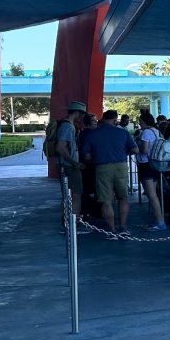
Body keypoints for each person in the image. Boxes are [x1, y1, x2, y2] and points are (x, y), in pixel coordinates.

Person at [82, 110, 139, 240]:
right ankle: (123, 228)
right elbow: (135, 149)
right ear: (115, 120)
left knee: (106, 201)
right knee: (123, 197)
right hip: (121, 166)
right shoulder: (122, 132)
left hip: (102, 167)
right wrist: (123, 153)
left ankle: (111, 231)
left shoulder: (92, 134)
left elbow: (86, 156)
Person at [54, 101, 88, 233]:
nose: (82, 117)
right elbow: (61, 147)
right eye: (81, 113)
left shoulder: (64, 124)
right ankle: (72, 225)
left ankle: (68, 223)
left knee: (68, 195)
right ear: (76, 112)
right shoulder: (68, 127)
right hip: (68, 166)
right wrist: (74, 162)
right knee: (75, 195)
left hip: (65, 165)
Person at [136, 112, 166, 232]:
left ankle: (160, 221)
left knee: (151, 194)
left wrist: (137, 141)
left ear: (144, 121)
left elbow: (143, 149)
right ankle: (158, 219)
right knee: (154, 194)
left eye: (140, 121)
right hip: (154, 164)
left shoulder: (146, 132)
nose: (139, 124)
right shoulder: (157, 131)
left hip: (145, 164)